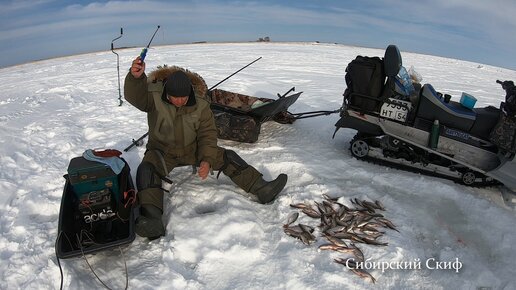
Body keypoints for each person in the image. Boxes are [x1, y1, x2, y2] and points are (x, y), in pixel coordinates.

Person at [124, 56, 288, 240]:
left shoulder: (201, 105)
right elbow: (134, 96)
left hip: (192, 149)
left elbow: (208, 134)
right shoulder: (153, 97)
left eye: (183, 98)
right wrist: (135, 77)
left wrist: (207, 159)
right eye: (174, 98)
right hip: (163, 152)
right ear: (165, 92)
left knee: (227, 156)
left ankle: (262, 188)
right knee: (147, 170)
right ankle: (153, 219)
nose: (179, 102)